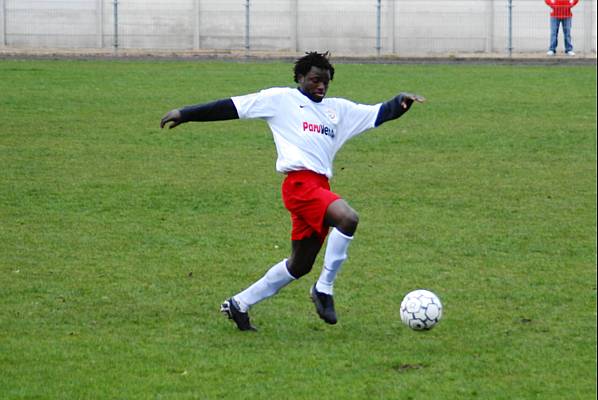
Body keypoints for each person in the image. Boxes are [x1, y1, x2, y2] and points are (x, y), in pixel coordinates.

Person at [160, 52, 425, 331]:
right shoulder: (281, 100)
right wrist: (186, 114)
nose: (320, 87)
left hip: (319, 187)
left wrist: (400, 101)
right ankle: (324, 289)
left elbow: (378, 113)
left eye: (325, 82)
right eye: (314, 80)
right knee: (347, 218)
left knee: (299, 265)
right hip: (299, 185)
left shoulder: (338, 111)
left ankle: (239, 303)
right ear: (299, 78)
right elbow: (232, 107)